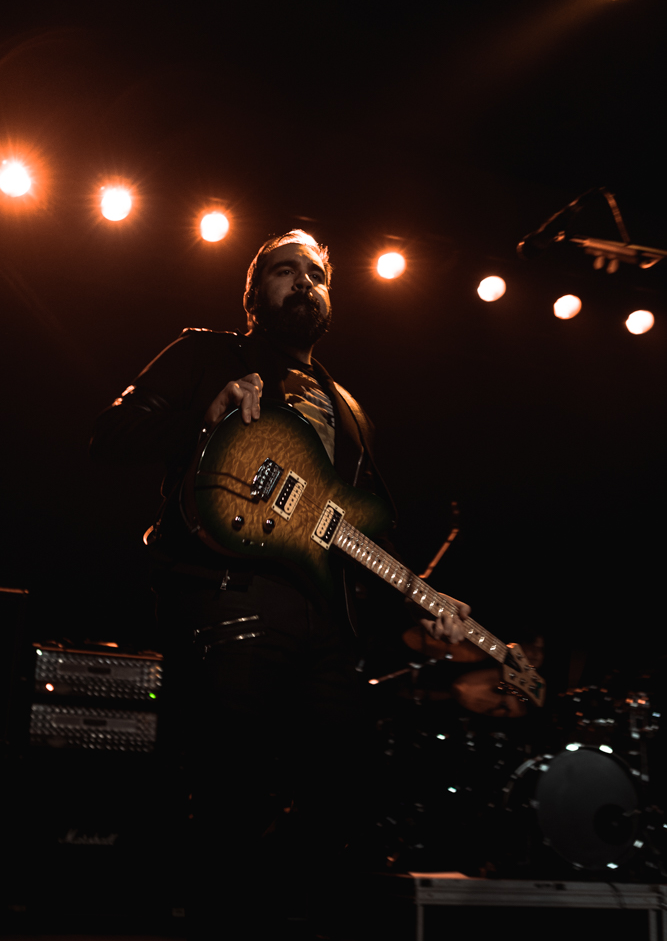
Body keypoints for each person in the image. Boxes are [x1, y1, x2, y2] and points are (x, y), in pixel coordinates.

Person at [91, 229, 470, 939]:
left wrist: (425, 597)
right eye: (284, 270)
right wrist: (199, 417)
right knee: (228, 796)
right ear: (253, 293)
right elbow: (108, 437)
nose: (303, 282)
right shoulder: (207, 353)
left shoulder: (348, 407)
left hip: (326, 624)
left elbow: (360, 535)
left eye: (317, 274)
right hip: (228, 595)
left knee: (344, 796)